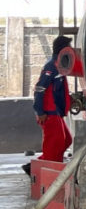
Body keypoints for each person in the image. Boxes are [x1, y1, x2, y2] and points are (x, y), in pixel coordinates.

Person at [23, 35, 74, 175]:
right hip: (49, 113)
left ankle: (33, 167)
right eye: (69, 47)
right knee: (55, 145)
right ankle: (51, 176)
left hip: (56, 112)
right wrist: (40, 111)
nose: (71, 50)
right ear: (63, 49)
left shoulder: (59, 65)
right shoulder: (52, 66)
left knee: (66, 140)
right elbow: (39, 89)